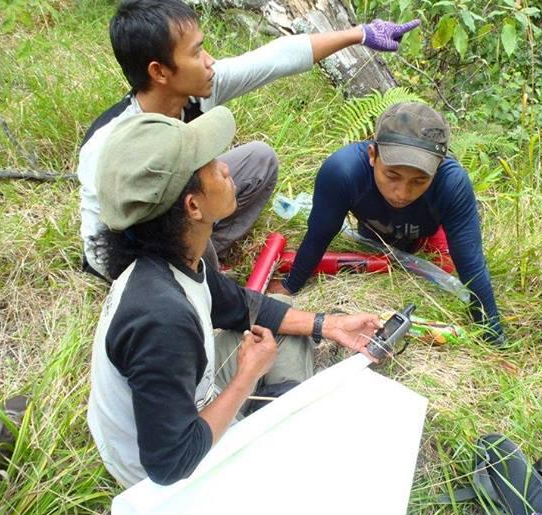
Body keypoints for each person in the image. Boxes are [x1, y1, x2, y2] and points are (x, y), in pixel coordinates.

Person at [86, 107, 381, 488]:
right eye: (211, 165)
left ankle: (276, 416)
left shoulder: (172, 261)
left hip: (188, 406)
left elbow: (242, 307)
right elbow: (168, 464)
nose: (226, 168)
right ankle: (275, 434)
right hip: (168, 479)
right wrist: (247, 375)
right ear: (192, 206)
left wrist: (331, 325)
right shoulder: (162, 318)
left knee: (287, 324)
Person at [78, 0, 419, 278]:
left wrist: (361, 34)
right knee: (191, 210)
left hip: (188, 212)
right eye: (196, 53)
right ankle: (196, 269)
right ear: (159, 71)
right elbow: (100, 245)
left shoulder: (197, 91)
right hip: (145, 245)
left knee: (259, 160)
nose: (209, 61)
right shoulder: (110, 144)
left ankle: (210, 249)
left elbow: (276, 58)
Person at [270, 102, 505, 343]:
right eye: (392, 176)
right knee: (377, 245)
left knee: (443, 271)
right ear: (372, 155)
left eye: (420, 181)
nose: (402, 193)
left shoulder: (452, 184)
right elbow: (319, 234)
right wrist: (291, 285)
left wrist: (493, 337)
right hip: (376, 229)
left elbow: (471, 264)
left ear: (438, 169)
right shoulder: (343, 172)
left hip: (428, 231)